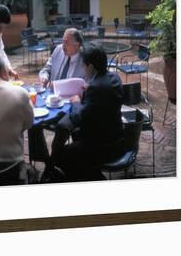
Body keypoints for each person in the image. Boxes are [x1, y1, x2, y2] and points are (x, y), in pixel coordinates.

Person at [47, 45, 125, 181]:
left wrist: (76, 101)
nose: (83, 68)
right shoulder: (114, 77)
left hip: (102, 145)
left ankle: (90, 177)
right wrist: (90, 89)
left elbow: (79, 117)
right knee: (67, 132)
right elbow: (103, 96)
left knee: (59, 154)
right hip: (116, 135)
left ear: (90, 67)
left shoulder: (96, 87)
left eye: (83, 65)